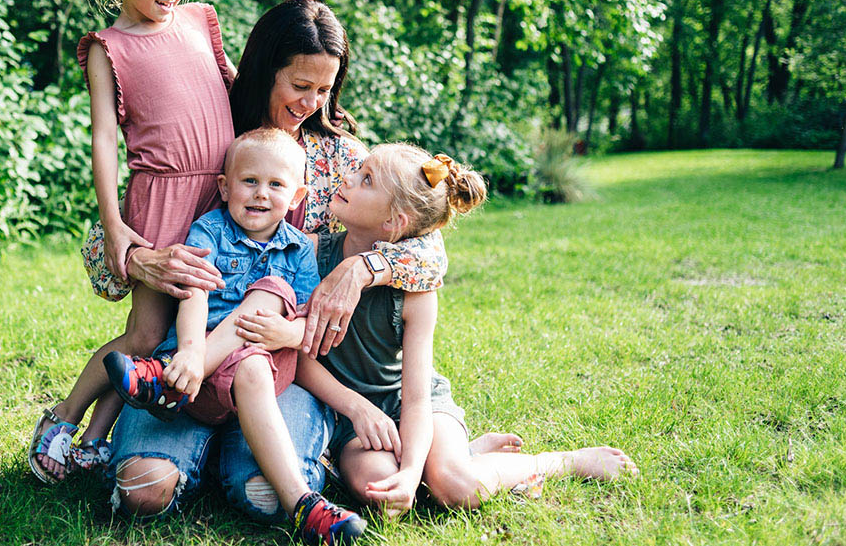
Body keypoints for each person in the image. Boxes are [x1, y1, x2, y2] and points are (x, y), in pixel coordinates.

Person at [97, 0, 453, 529]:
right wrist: (141, 259)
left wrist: (362, 269)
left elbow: (429, 248)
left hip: (283, 369)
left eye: (325, 89)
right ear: (267, 69)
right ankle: (190, 444)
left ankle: (251, 464)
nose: (311, 102)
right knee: (142, 491)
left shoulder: (342, 158)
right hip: (187, 349)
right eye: (300, 84)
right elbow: (120, 230)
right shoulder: (217, 134)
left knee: (264, 497)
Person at [238, 144, 640, 517]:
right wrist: (357, 409)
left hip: (413, 406)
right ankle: (460, 453)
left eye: (366, 180)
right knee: (380, 490)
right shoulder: (308, 254)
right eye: (359, 170)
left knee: (454, 488)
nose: (348, 177)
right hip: (348, 415)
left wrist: (412, 472)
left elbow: (415, 399)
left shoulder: (416, 292)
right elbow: (300, 354)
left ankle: (552, 463)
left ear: (394, 222)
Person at [27, 0, 234, 484]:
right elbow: (102, 141)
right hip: (161, 196)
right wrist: (115, 225)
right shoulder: (108, 47)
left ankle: (97, 439)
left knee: (182, 331)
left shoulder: (200, 22)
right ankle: (63, 418)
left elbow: (236, 91)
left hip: (217, 195)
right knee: (146, 331)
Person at [105, 128, 366, 543]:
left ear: (296, 197)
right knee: (141, 494)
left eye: (276, 185)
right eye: (250, 181)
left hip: (257, 373)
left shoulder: (299, 250)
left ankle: (301, 504)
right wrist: (191, 351)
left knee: (270, 300)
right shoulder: (208, 231)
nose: (261, 194)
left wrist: (286, 330)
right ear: (225, 188)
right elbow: (195, 295)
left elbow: (308, 325)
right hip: (196, 376)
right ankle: (183, 391)